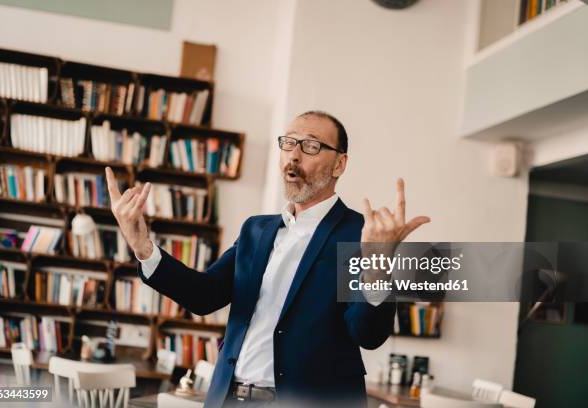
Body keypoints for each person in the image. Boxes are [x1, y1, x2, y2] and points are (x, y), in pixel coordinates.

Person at [105, 111, 430, 408]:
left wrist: (378, 263)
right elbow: (203, 296)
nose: (294, 155)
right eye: (288, 144)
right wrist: (143, 247)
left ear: (339, 164)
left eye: (311, 146)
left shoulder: (361, 233)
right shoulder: (255, 231)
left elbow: (368, 334)